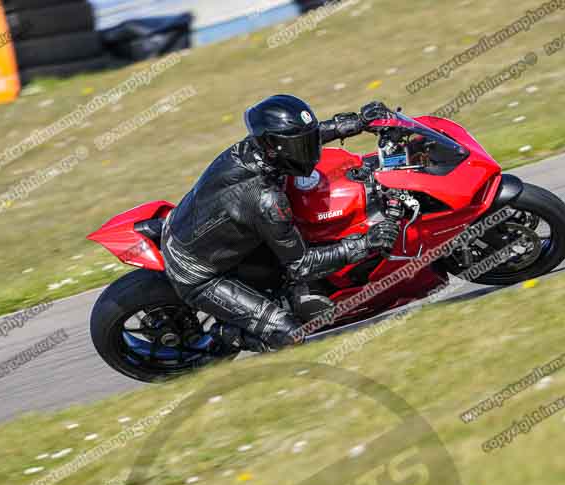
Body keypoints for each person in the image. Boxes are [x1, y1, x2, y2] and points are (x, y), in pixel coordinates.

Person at [159, 95, 400, 352]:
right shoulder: (266, 199)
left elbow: (296, 140)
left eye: (308, 142)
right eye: (301, 147)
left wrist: (357, 123)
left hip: (205, 234)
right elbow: (302, 265)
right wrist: (364, 244)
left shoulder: (258, 149)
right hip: (198, 274)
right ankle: (225, 333)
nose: (309, 152)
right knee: (291, 336)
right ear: (273, 148)